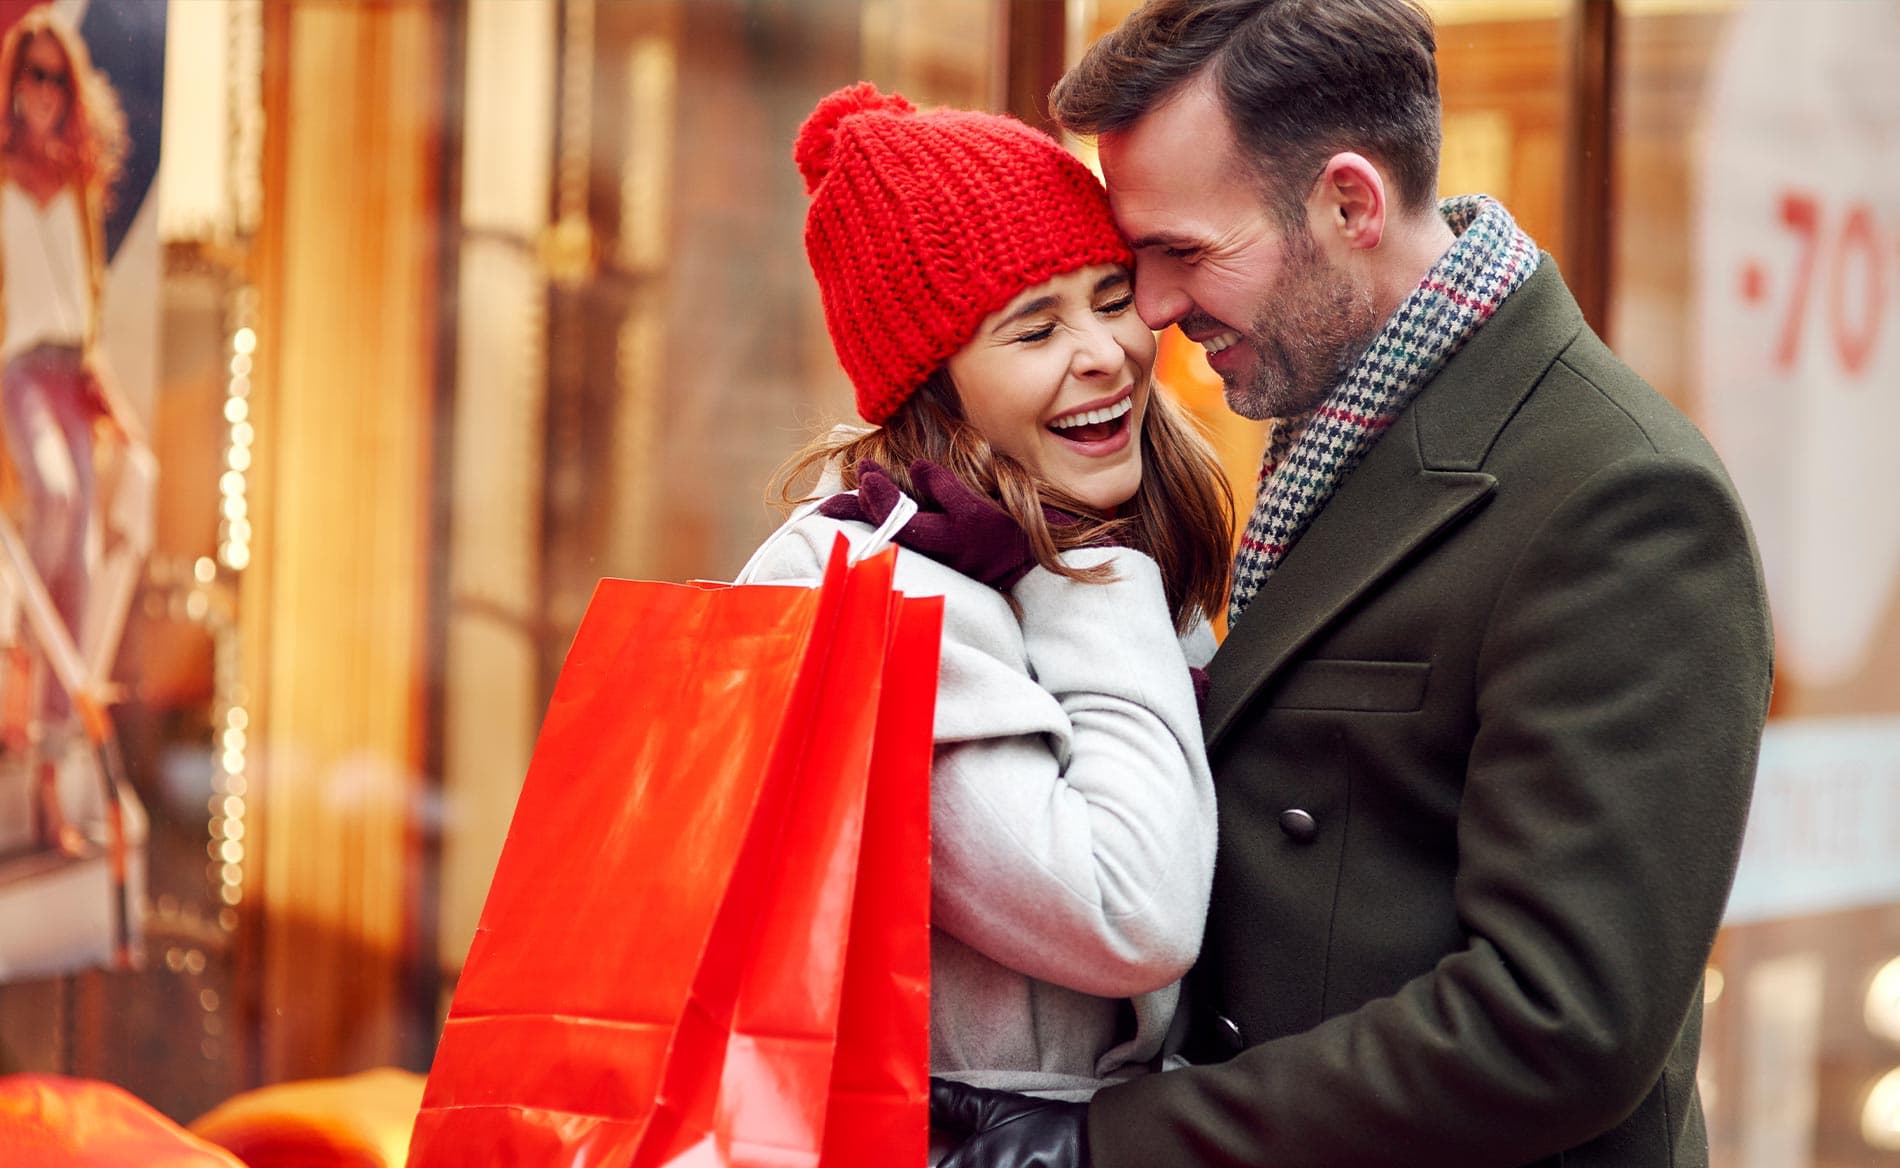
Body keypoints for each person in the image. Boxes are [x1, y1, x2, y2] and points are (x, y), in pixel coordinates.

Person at [930, 2, 1773, 1165]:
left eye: (1184, 251)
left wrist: (1109, 1144)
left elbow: (1556, 1025)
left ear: (1347, 204)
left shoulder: (1623, 499)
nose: (1156, 313)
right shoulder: (1334, 413)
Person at [743, 82, 1234, 1114]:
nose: (1105, 352)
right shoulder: (886, 590)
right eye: (1031, 329)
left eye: (1111, 296)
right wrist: (1085, 573)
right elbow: (1131, 911)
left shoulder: (1100, 531)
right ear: (934, 384)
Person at [0, 5, 136, 848]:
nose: (45, 91)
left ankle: (49, 776)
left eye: (58, 76)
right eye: (32, 74)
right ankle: (25, 654)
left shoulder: (79, 181)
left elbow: (87, 303)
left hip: (69, 377)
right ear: (13, 86)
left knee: (78, 567)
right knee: (51, 499)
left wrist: (105, 389)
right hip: (16, 373)